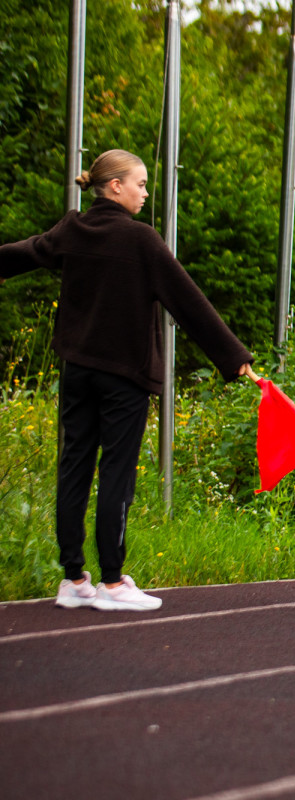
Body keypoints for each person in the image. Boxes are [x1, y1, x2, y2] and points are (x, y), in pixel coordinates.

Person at [0, 149, 254, 612]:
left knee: (74, 465)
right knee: (116, 471)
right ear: (114, 186)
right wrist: (233, 358)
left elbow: (22, 253)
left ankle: (74, 578)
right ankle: (114, 584)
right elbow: (187, 300)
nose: (144, 192)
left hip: (77, 371)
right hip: (124, 378)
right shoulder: (141, 240)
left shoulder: (72, 228)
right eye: (139, 184)